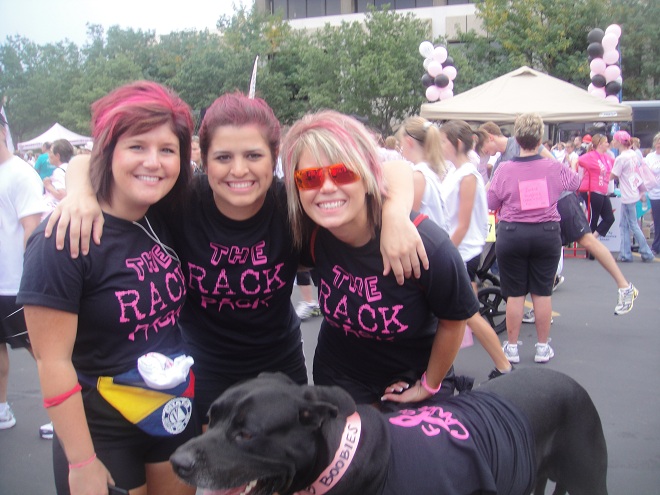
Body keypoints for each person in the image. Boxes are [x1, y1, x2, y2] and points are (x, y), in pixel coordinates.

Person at [46, 92, 428, 427]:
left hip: (279, 364)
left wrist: (395, 214)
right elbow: (86, 162)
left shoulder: (292, 205)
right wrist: (79, 193)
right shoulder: (180, 202)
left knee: (285, 469)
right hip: (201, 366)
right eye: (223, 157)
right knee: (215, 471)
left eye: (254, 155)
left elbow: (396, 169)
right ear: (203, 159)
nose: (239, 170)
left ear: (274, 158)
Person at [18, 81, 199, 495]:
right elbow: (52, 362)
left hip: (173, 409)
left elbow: (81, 163)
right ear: (109, 151)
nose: (153, 162)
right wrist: (81, 462)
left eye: (167, 150)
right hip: (101, 429)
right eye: (137, 146)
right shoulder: (64, 237)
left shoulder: (163, 213)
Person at [281, 110, 479, 406]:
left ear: (367, 176)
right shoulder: (311, 234)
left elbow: (453, 320)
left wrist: (429, 384)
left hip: (411, 379)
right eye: (309, 177)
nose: (327, 187)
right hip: (339, 380)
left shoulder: (425, 246)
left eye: (343, 173)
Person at [487, 113, 580, 364]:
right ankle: (542, 347)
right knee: (542, 293)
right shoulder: (552, 167)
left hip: (512, 233)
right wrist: (550, 157)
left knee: (515, 294)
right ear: (540, 140)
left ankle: (512, 347)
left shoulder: (504, 169)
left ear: (516, 139)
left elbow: (491, 202)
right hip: (546, 233)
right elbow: (574, 182)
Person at [438, 120, 513, 377]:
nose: (439, 146)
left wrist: (444, 253)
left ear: (457, 143)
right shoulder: (457, 171)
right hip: (458, 249)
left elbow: (463, 223)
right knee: (462, 313)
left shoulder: (467, 175)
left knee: (469, 313)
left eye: (443, 141)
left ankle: (504, 365)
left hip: (462, 251)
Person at [0, 111, 47, 431]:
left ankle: (66, 417)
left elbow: (32, 232)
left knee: (44, 354)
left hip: (17, 285)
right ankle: (2, 408)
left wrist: (34, 283)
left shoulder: (20, 173)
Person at [397, 116, 449, 231]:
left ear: (409, 142)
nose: (400, 147)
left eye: (401, 143)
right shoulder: (429, 171)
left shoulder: (418, 176)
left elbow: (409, 220)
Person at [610, 130, 655, 263]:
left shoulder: (621, 158)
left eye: (614, 140)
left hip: (627, 194)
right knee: (625, 224)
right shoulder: (633, 154)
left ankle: (645, 252)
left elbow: (613, 175)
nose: (613, 142)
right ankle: (626, 253)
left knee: (632, 225)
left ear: (619, 142)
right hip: (633, 191)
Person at [577, 134, 615, 239]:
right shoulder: (590, 156)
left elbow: (617, 165)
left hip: (602, 191)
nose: (608, 144)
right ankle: (590, 244)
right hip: (591, 189)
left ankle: (592, 240)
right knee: (594, 218)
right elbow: (577, 160)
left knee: (609, 218)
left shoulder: (607, 157)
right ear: (600, 144)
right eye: (606, 142)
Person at [43, 139, 75, 211]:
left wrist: (48, 186)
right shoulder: (71, 167)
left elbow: (62, 195)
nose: (49, 155)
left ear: (57, 156)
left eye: (50, 152)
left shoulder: (59, 172)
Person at [644, 132, 660, 255]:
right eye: (658, 142)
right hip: (654, 193)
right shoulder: (650, 157)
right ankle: (656, 246)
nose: (659, 145)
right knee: (657, 221)